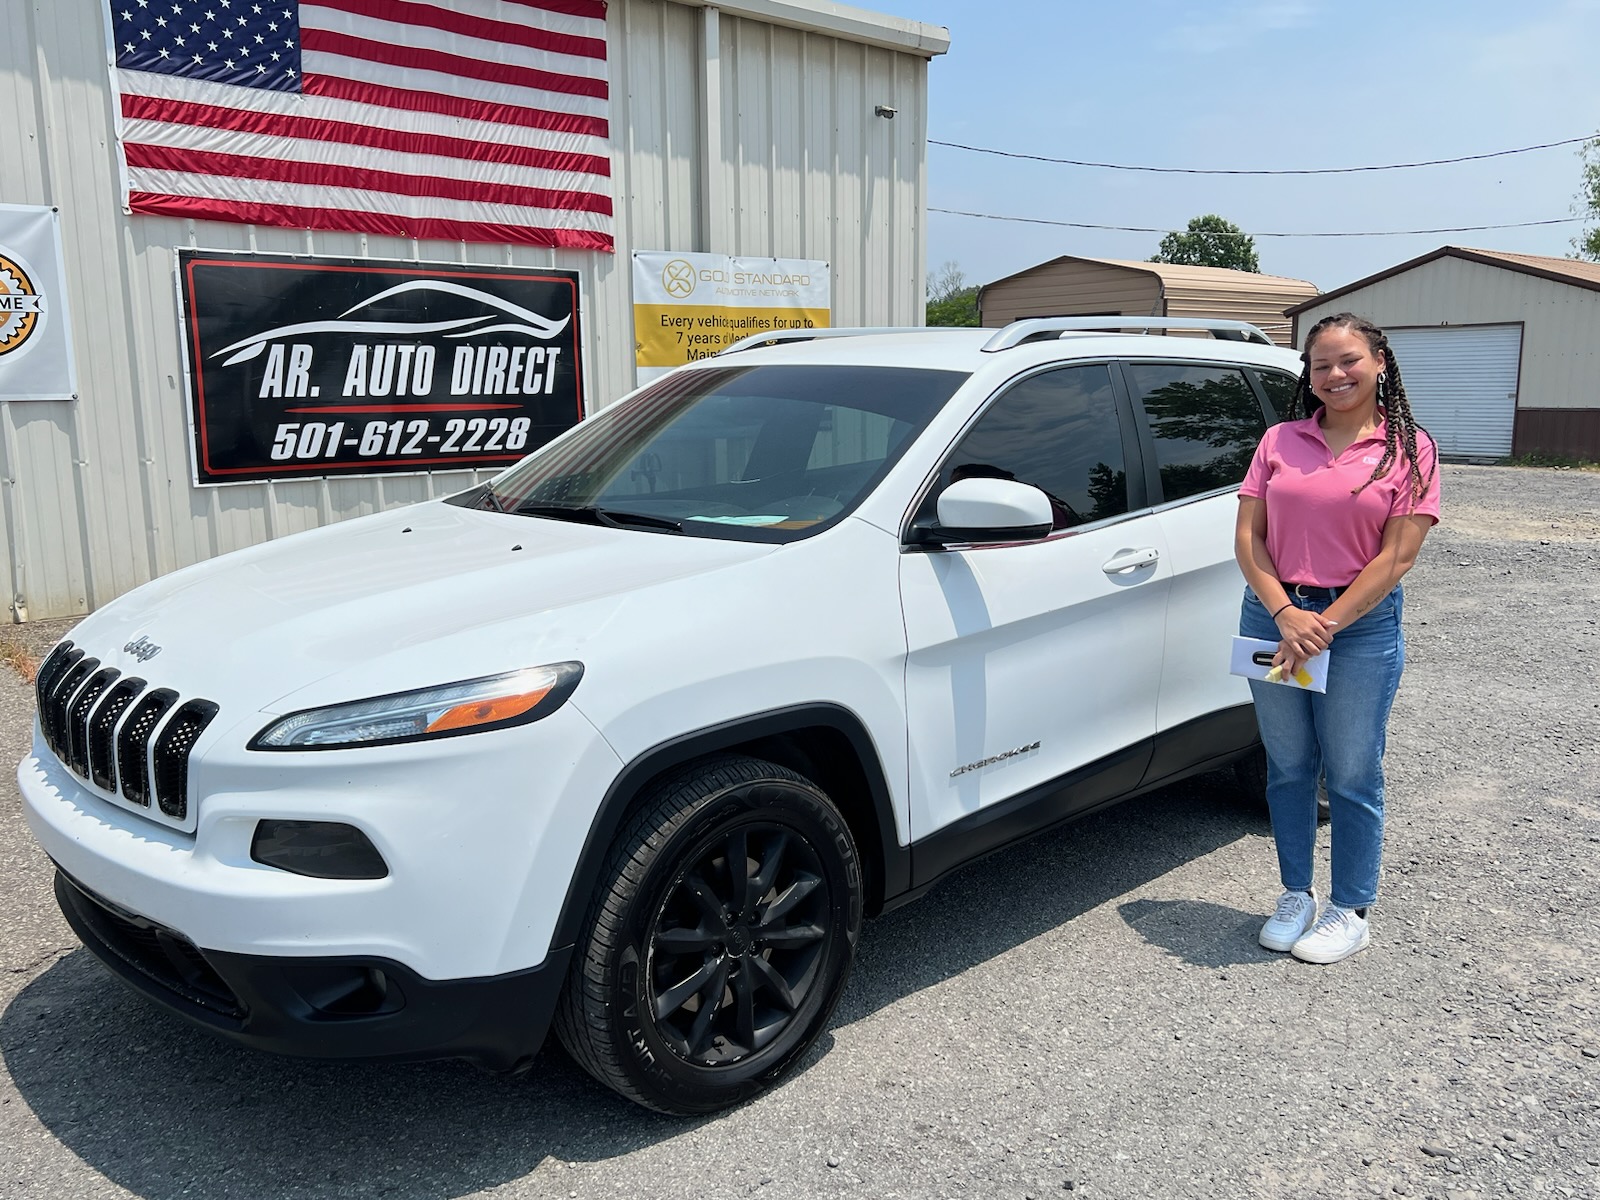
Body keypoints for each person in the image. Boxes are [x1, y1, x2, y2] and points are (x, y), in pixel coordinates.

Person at [1234, 312, 1440, 964]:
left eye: (1349, 360)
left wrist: (1321, 626)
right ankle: (1296, 893)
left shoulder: (1410, 449)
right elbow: (1248, 539)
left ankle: (1351, 908)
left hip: (1357, 628)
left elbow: (1396, 557)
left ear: (1380, 362)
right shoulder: (1279, 440)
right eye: (1320, 364)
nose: (1335, 374)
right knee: (1289, 766)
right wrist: (1285, 614)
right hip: (1272, 619)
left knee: (1351, 772)